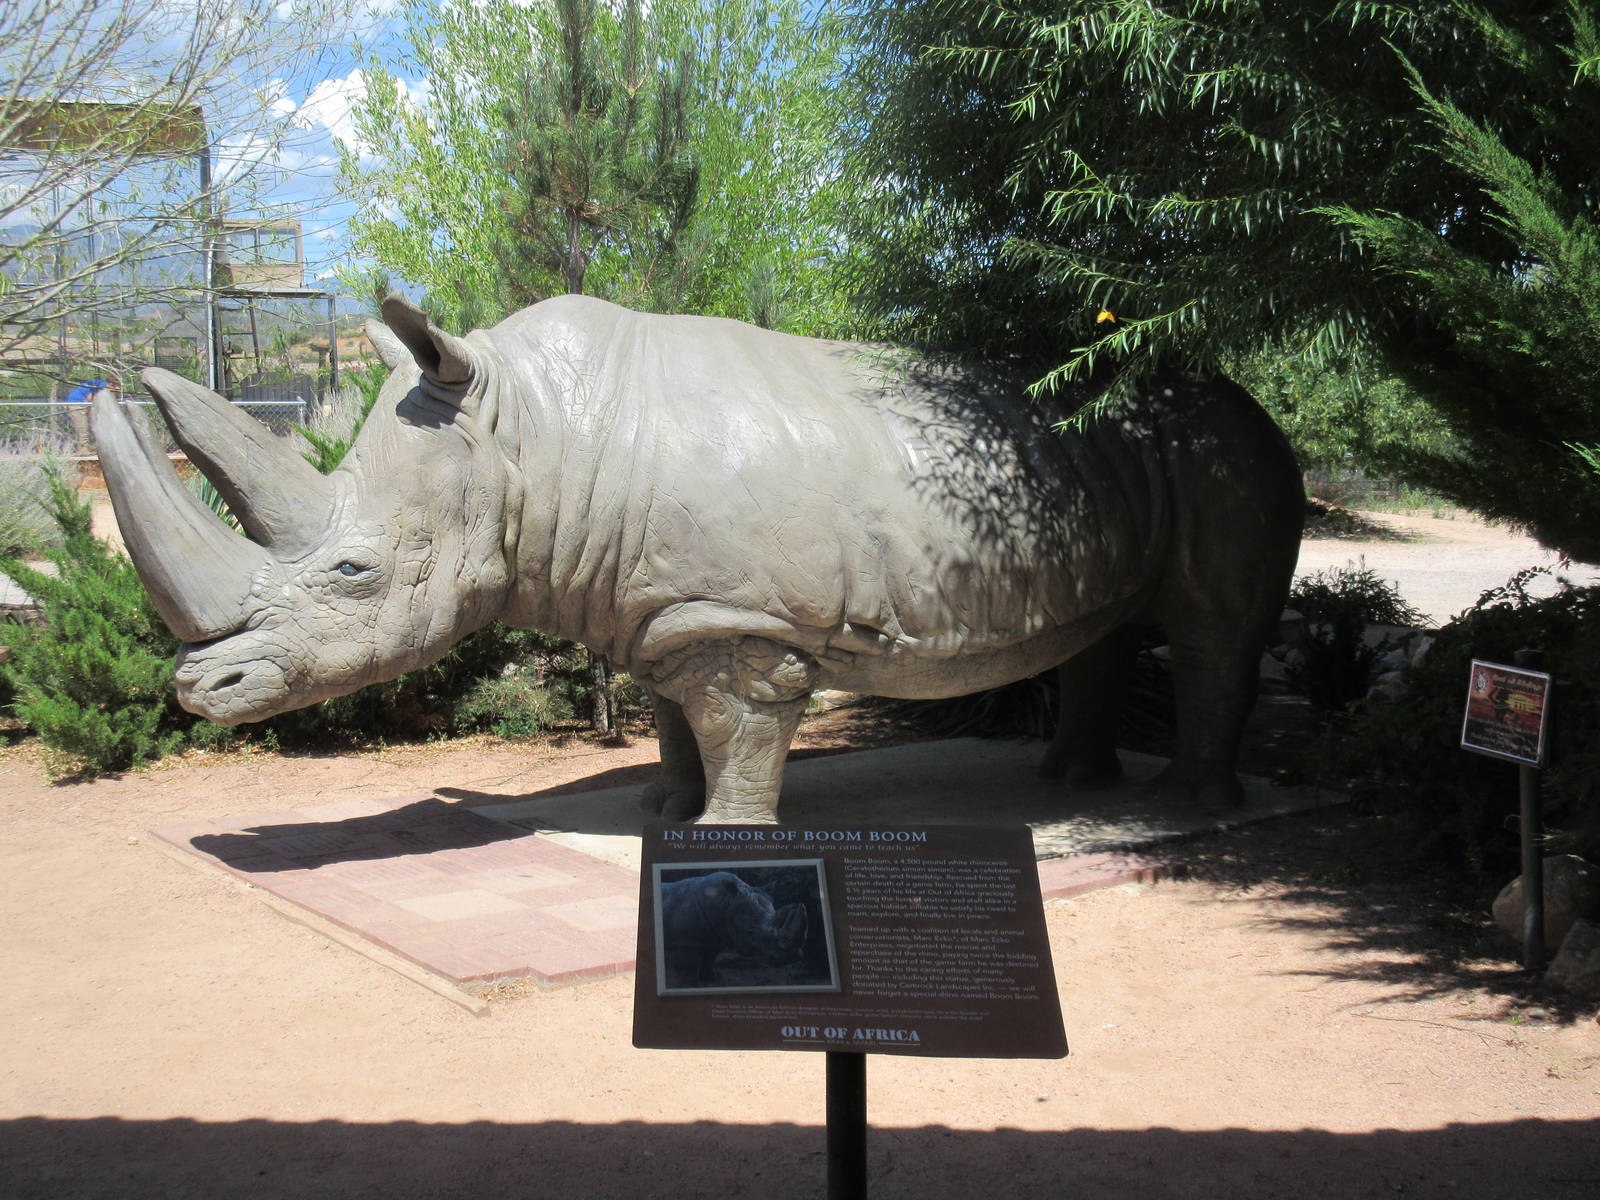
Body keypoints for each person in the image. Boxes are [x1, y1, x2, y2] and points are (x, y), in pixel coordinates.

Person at [62, 378, 112, 451]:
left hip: (81, 404)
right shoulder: (102, 385)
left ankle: (86, 446)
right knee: (82, 427)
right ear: (111, 384)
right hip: (77, 404)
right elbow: (89, 399)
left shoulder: (95, 383)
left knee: (87, 426)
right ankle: (83, 449)